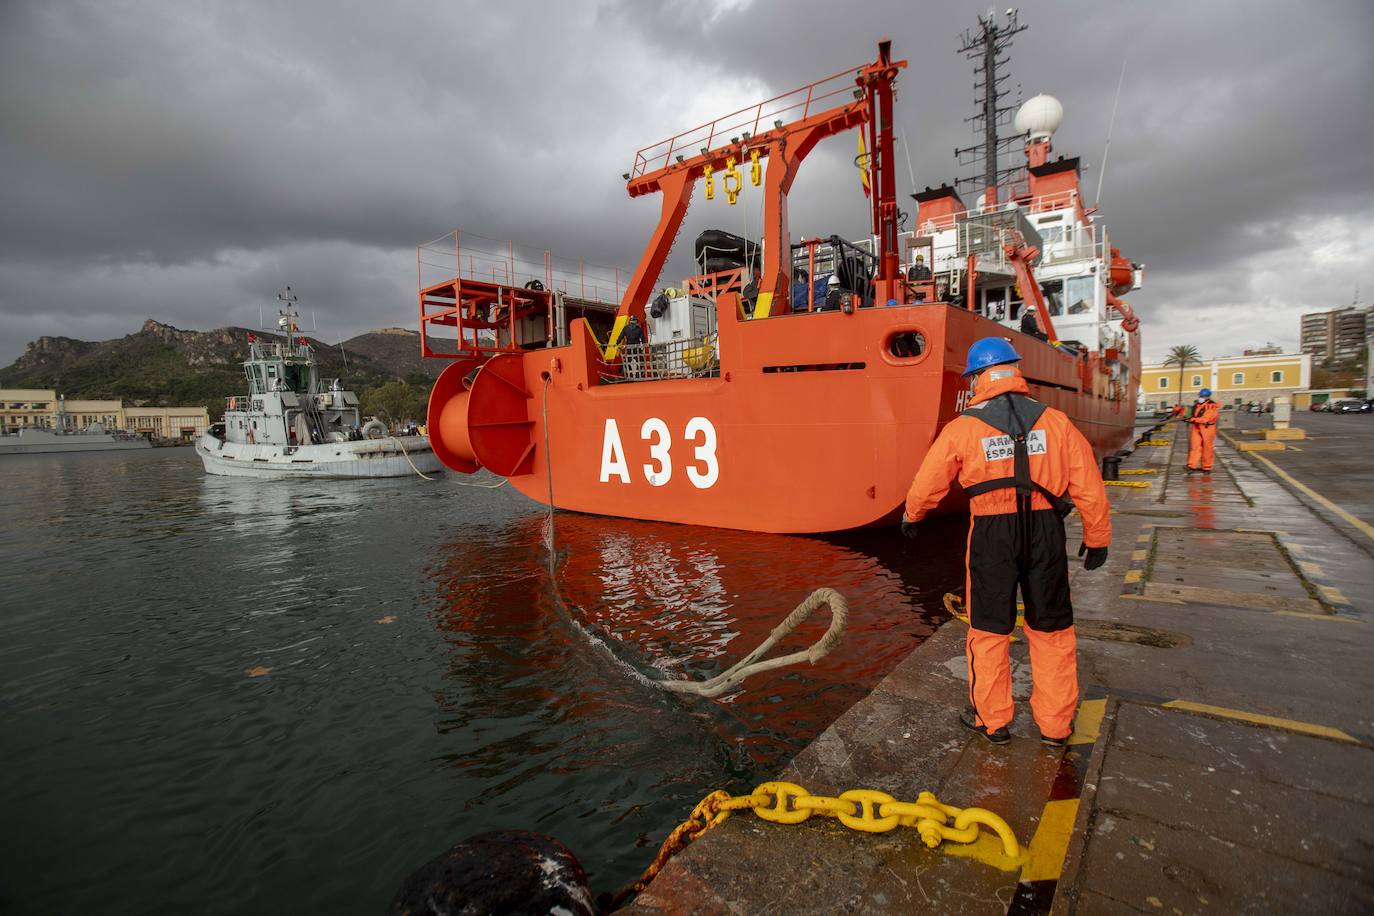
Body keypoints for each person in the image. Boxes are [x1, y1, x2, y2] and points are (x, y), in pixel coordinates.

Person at [900, 337, 1111, 746]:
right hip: (1045, 530)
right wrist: (1097, 536)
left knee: (989, 630)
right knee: (1052, 631)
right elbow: (1088, 483)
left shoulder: (963, 426)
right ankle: (1055, 727)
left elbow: (929, 480)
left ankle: (992, 721)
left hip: (992, 535)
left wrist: (913, 514)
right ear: (1015, 371)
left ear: (978, 377)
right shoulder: (1056, 421)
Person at [1185, 388, 1219, 474]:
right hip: (1196, 427)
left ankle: (1206, 467)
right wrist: (1187, 417)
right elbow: (1193, 413)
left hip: (1207, 428)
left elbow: (1206, 419)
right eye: (1200, 396)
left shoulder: (1211, 406)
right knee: (1195, 447)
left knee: (1207, 448)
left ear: (1207, 397)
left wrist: (1192, 419)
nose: (1201, 397)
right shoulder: (1198, 405)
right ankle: (1192, 465)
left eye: (1202, 396)